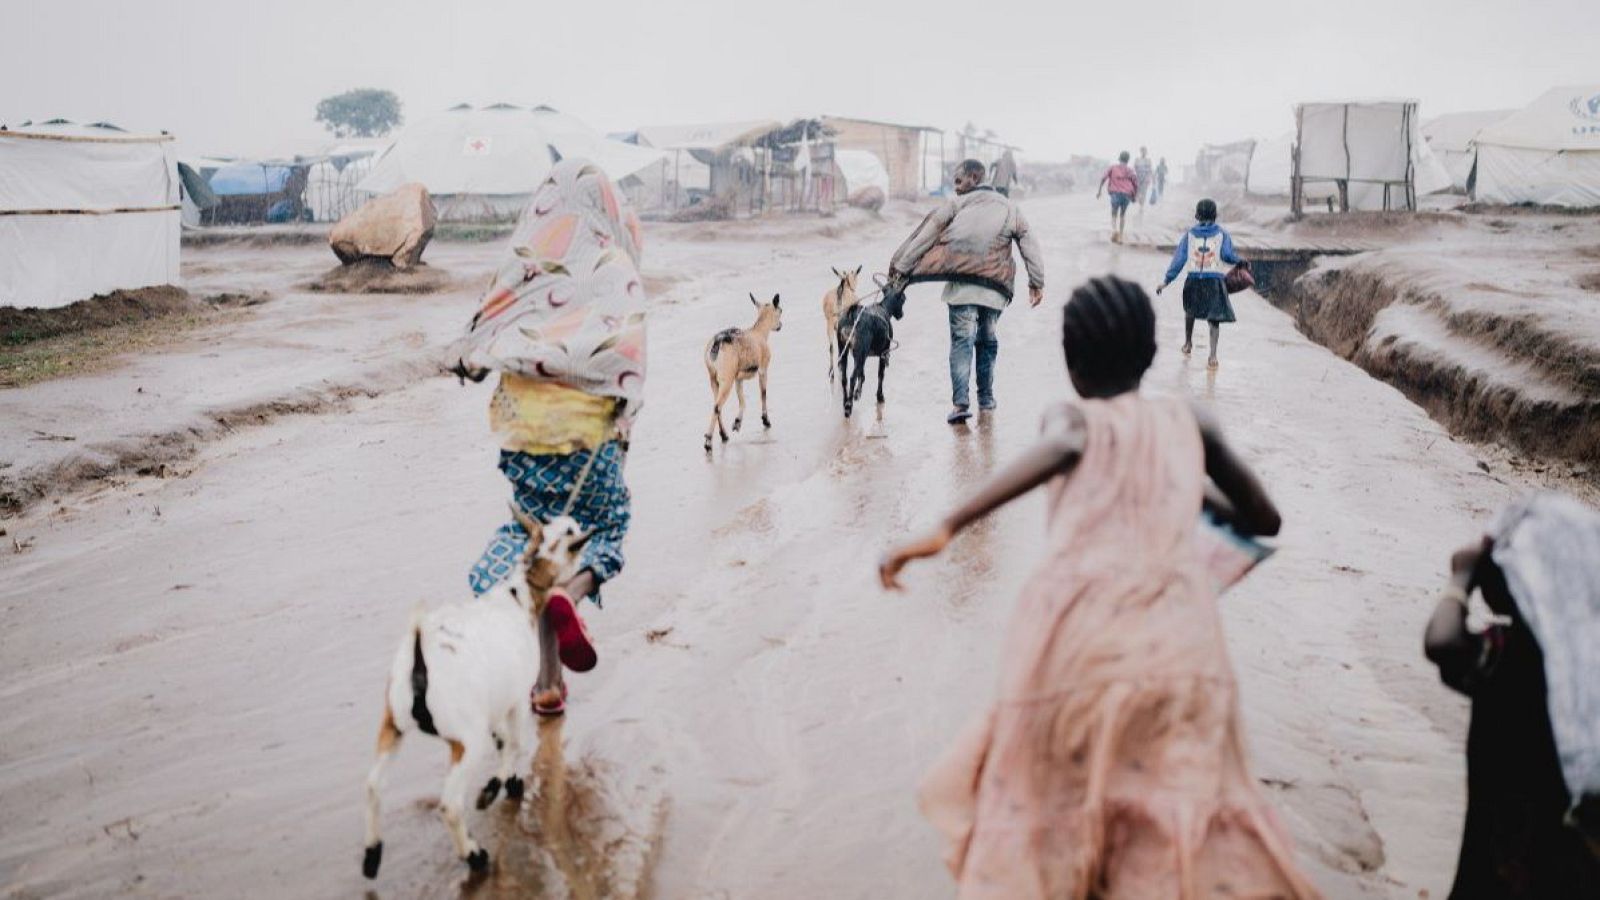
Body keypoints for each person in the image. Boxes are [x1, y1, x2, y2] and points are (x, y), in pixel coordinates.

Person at [879, 276, 1320, 899]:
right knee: (1173, 800)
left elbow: (1063, 445)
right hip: (1182, 646)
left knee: (1063, 792)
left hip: (1081, 641)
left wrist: (946, 525)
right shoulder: (1189, 421)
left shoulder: (1072, 416)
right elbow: (1264, 520)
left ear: (1072, 363)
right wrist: (1182, 478)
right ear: (1148, 355)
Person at [447, 159, 647, 718]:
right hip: (590, 440)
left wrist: (473, 363)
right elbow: (628, 357)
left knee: (531, 536)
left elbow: (478, 342)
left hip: (523, 442)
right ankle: (573, 593)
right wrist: (621, 424)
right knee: (607, 526)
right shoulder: (615, 267)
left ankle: (547, 684)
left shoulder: (525, 264)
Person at [1423, 493, 1600, 898]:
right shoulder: (1587, 674)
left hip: (1498, 868)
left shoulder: (1511, 655)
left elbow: (1442, 644)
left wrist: (1460, 578)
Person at [888, 158, 1045, 426]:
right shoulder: (1010, 208)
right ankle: (986, 399)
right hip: (995, 293)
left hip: (961, 292)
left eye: (959, 181)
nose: (956, 187)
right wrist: (1036, 282)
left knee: (962, 343)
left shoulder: (954, 206)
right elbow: (1028, 240)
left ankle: (960, 404)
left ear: (974, 177)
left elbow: (924, 237)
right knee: (987, 343)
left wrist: (898, 272)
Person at [1157, 198, 1242, 369]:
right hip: (1214, 281)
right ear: (1216, 215)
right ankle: (1212, 356)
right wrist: (1241, 261)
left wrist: (1166, 281)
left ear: (1197, 215)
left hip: (1193, 280)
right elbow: (1227, 255)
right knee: (1214, 318)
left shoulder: (1189, 235)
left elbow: (1179, 260)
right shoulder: (1222, 234)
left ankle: (1188, 343)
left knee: (1190, 311)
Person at [1095, 151, 1138, 244]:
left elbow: (1103, 178)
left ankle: (1114, 231)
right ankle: (1121, 237)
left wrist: (1099, 191)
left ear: (1120, 159)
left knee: (1114, 214)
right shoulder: (1130, 170)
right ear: (1128, 160)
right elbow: (1135, 183)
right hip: (1127, 194)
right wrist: (1134, 196)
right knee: (1123, 215)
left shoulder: (1113, 168)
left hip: (1115, 193)